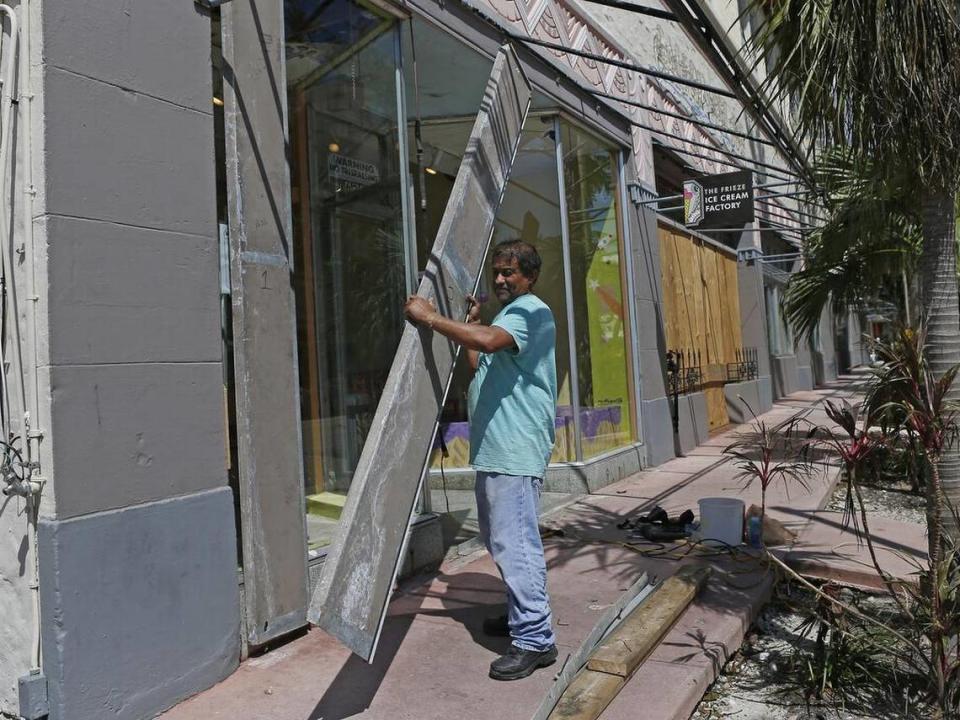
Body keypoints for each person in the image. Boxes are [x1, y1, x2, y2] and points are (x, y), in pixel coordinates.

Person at [404, 239, 558, 681]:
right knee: (499, 538)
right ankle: (520, 618)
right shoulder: (509, 317)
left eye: (510, 272)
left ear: (529, 276)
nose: (500, 279)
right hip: (497, 447)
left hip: (515, 448)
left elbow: (489, 343)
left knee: (517, 543)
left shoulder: (532, 311)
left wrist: (432, 318)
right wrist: (471, 323)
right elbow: (480, 360)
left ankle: (535, 639)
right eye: (497, 272)